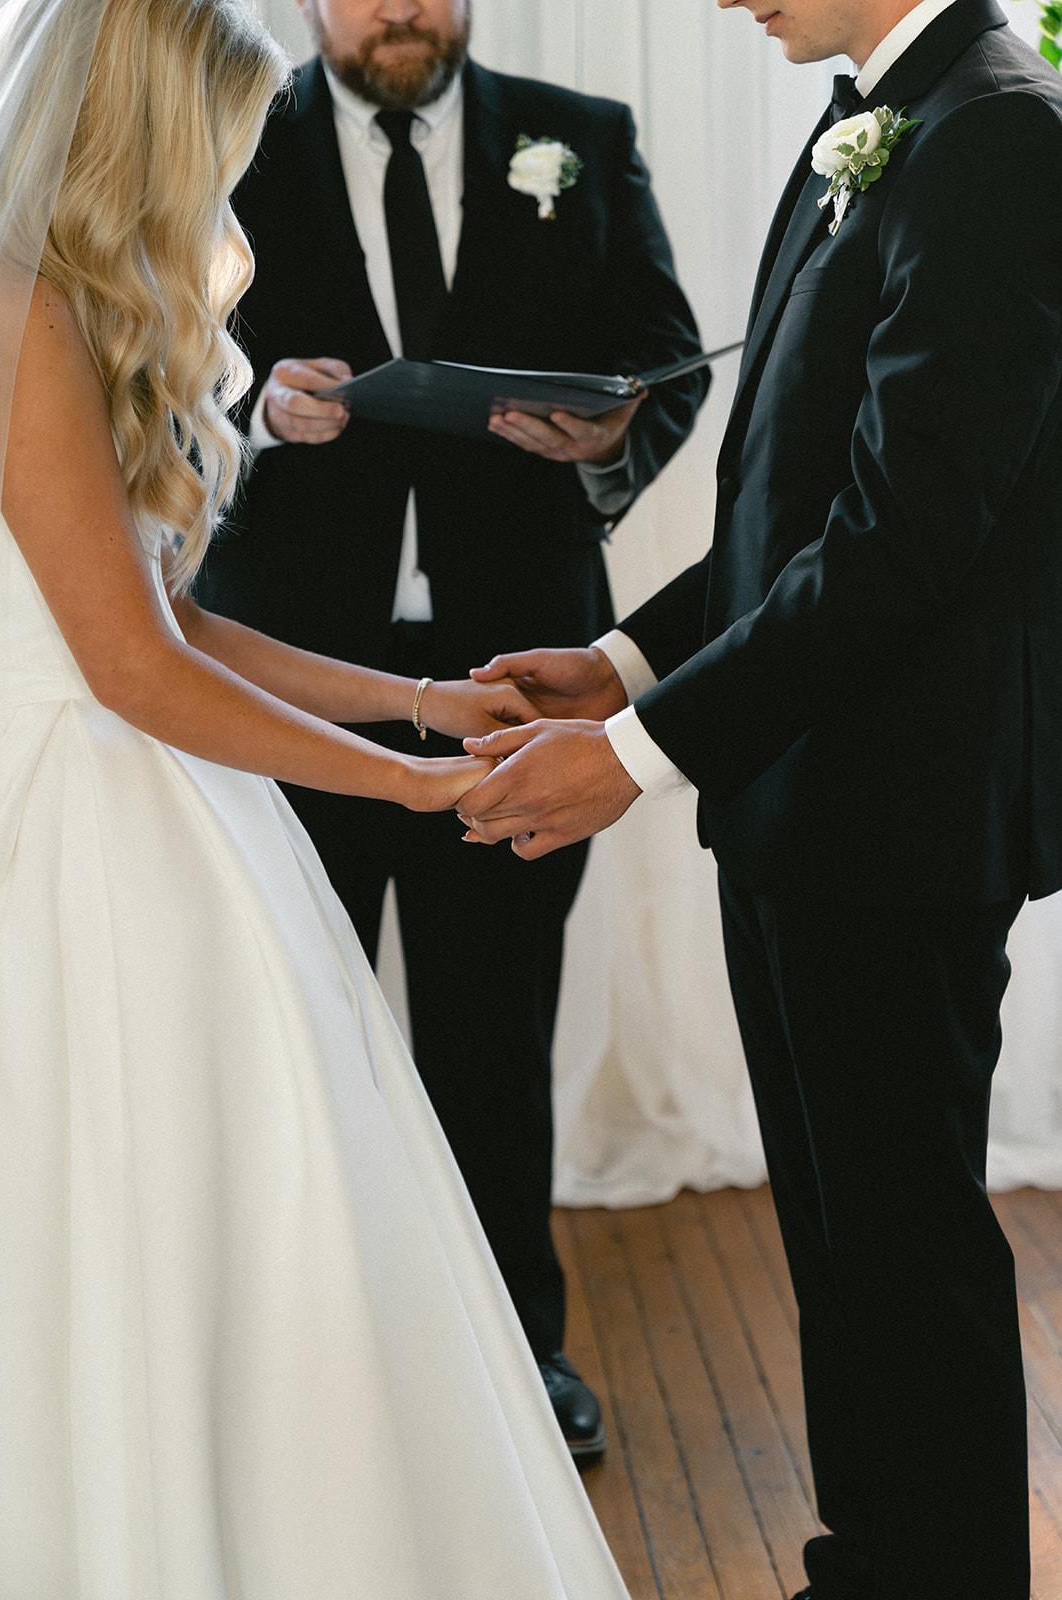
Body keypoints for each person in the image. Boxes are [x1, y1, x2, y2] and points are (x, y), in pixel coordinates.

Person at [0, 0, 636, 1591]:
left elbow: (175, 618)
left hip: (155, 803)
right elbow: (132, 672)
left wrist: (419, 700)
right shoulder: (20, 315)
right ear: (149, 126)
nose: (228, 185)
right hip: (83, 829)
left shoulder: (66, 309)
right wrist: (411, 789)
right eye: (216, 146)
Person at [457, 0, 1062, 1593]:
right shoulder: (873, 115)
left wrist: (641, 759)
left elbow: (901, 532)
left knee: (903, 1253)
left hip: (906, 812)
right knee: (844, 1251)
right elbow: (787, 492)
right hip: (803, 795)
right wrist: (623, 661)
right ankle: (876, 1563)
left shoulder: (999, 128)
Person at [197, 0, 708, 1457]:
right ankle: (314, 1372)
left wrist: (609, 434)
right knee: (299, 1030)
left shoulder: (580, 139)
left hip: (516, 675)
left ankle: (515, 1360)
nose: (401, 9)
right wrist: (248, 409)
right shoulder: (232, 125)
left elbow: (665, 362)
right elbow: (143, 367)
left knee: (495, 1034)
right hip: (285, 676)